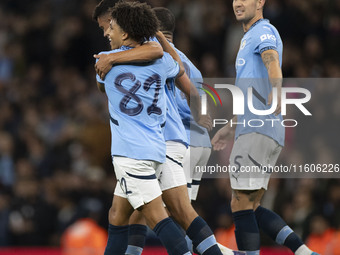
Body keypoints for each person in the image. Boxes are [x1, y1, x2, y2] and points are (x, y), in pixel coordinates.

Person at [211, 0, 319, 255]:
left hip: (257, 130)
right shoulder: (247, 37)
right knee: (252, 205)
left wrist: (278, 89)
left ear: (260, 2)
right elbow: (252, 94)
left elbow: (272, 62)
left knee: (239, 203)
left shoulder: (262, 32)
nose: (237, 3)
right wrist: (230, 127)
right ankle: (304, 252)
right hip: (262, 129)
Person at [95, 2, 191, 254]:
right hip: (155, 149)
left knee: (158, 219)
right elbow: (177, 66)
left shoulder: (105, 64)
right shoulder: (161, 64)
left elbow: (101, 85)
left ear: (125, 33)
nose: (107, 33)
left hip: (131, 155)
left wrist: (113, 58)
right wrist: (157, 38)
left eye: (112, 27)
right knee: (117, 214)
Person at [152, 7, 212, 202]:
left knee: (168, 211)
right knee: (185, 212)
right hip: (201, 143)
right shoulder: (191, 64)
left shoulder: (155, 57)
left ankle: (205, 235)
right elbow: (202, 110)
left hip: (180, 142)